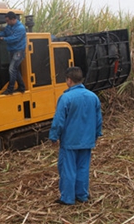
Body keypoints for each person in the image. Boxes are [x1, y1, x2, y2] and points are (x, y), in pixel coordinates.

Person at [49, 67, 102, 205]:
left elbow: (59, 120)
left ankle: (67, 198)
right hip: (87, 140)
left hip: (70, 141)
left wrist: (54, 137)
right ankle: (82, 195)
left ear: (69, 80)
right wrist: (96, 134)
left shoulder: (66, 98)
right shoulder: (93, 97)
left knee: (68, 169)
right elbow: (98, 119)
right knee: (83, 168)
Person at [0, 11, 27, 94]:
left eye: (8, 21)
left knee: (11, 69)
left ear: (13, 19)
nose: (7, 23)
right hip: (12, 50)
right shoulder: (9, 26)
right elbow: (5, 33)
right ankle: (22, 87)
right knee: (15, 69)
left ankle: (10, 89)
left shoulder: (20, 28)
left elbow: (14, 38)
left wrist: (4, 39)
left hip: (19, 51)